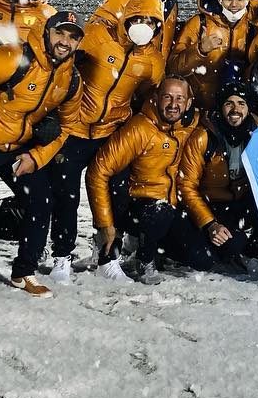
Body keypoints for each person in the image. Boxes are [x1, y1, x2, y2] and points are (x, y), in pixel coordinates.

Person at [0, 12, 84, 300]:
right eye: (60, 33)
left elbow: (68, 125)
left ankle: (23, 272)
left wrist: (37, 156)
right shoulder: (14, 56)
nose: (65, 41)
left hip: (18, 149)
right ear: (47, 32)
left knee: (41, 202)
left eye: (73, 36)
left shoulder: (70, 79)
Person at [46, 0, 166, 281]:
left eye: (152, 21)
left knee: (116, 195)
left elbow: (146, 97)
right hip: (74, 129)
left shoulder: (153, 60)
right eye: (140, 17)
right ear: (129, 15)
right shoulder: (99, 36)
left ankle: (106, 258)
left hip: (109, 133)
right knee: (66, 196)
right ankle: (61, 257)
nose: (144, 25)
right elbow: (65, 65)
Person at [87, 76, 206, 284]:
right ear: (157, 98)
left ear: (188, 103)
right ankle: (143, 258)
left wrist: (253, 117)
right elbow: (98, 171)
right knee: (160, 212)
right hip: (141, 204)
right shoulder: (140, 127)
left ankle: (152, 246)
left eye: (180, 99)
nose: (173, 104)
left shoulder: (193, 122)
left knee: (201, 259)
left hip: (176, 203)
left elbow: (224, 118)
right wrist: (105, 224)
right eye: (167, 97)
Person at [179, 81, 258, 272]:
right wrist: (210, 224)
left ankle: (243, 245)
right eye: (229, 103)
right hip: (212, 205)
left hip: (243, 204)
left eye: (241, 103)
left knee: (247, 242)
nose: (235, 109)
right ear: (221, 107)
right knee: (201, 258)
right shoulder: (204, 136)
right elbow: (186, 186)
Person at [171, 0, 258, 106]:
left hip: (231, 109)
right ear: (220, 0)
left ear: (247, 0)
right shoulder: (199, 23)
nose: (234, 4)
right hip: (197, 105)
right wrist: (200, 50)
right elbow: (174, 69)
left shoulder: (251, 29)